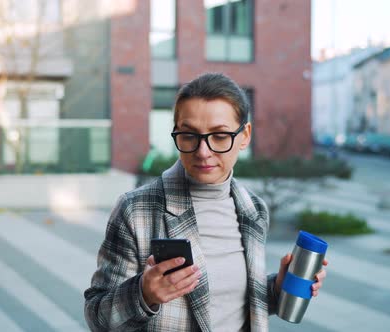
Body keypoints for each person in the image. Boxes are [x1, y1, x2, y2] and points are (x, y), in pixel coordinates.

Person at [84, 73, 328, 331]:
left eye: (220, 136)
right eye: (189, 135)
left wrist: (278, 288)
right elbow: (96, 317)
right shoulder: (136, 210)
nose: (203, 151)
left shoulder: (253, 210)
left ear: (244, 136)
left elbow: (231, 304)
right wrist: (143, 294)